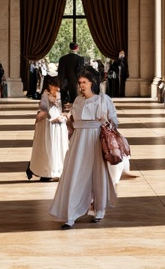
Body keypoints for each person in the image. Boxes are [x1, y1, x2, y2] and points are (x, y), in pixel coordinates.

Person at [49, 68, 119, 228]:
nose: (81, 85)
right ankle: (71, 213)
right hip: (78, 140)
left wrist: (106, 121)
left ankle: (100, 209)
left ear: (92, 83)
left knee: (98, 174)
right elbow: (73, 122)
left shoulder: (103, 99)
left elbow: (115, 121)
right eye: (79, 82)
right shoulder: (78, 100)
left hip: (95, 139)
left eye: (84, 82)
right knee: (75, 174)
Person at [26, 78, 67, 181]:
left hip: (55, 123)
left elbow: (58, 108)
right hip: (47, 124)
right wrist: (54, 116)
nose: (55, 88)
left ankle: (53, 170)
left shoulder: (58, 94)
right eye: (53, 86)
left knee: (54, 147)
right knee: (46, 147)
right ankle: (45, 172)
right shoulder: (45, 95)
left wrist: (61, 116)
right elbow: (45, 109)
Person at [56, 41, 85, 108]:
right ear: (77, 48)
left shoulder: (62, 58)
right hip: (75, 79)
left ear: (69, 47)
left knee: (62, 95)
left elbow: (60, 71)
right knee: (74, 96)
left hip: (64, 79)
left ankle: (61, 108)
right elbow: (80, 70)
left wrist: (60, 80)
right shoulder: (80, 58)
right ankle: (74, 110)